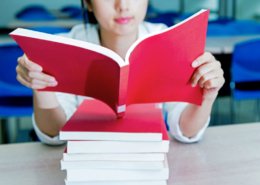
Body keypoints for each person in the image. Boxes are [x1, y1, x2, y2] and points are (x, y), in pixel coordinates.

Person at [16, 0, 224, 145]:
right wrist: (41, 88)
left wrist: (206, 96)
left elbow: (186, 131)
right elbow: (55, 134)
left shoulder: (169, 40)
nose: (123, 6)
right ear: (88, 3)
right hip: (85, 162)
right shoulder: (64, 46)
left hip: (148, 162)